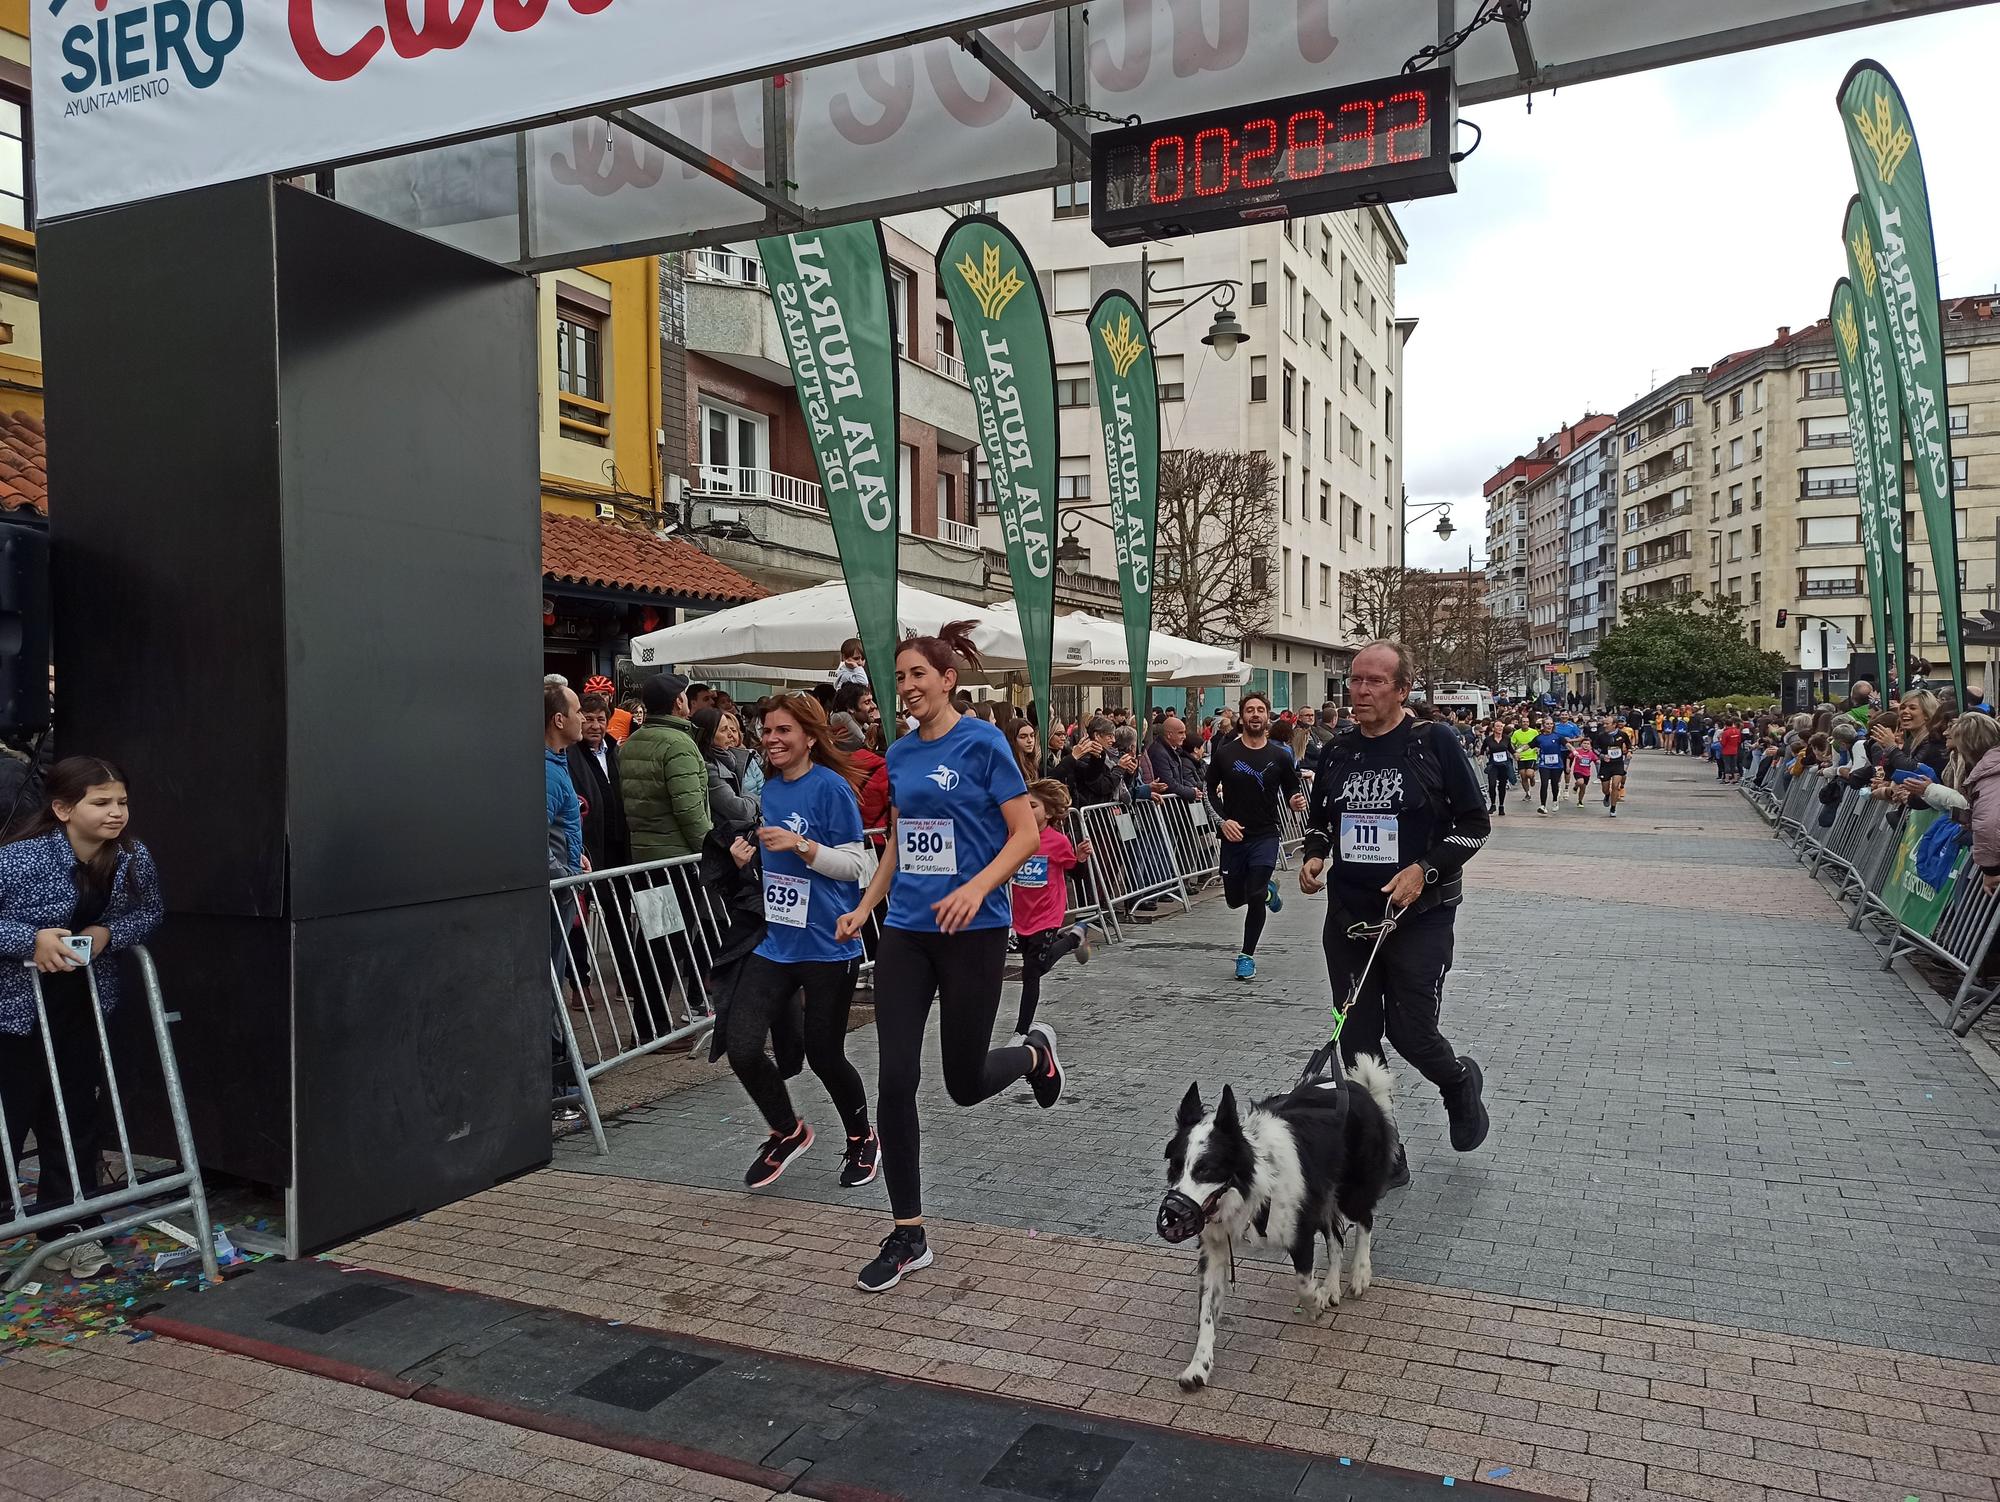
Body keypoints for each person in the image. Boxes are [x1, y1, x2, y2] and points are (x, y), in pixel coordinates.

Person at [833, 625, 1060, 1293]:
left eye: (916, 675)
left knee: (962, 1083)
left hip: (976, 930)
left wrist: (975, 888)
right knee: (895, 1078)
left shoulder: (985, 744)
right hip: (907, 929)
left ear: (947, 679)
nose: (906, 687)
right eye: (898, 678)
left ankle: (1033, 1054)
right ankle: (909, 1233)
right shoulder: (899, 754)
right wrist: (866, 905)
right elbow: (903, 842)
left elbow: (1026, 835)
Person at [1300, 642, 1490, 1187]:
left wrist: (1424, 870)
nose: (1359, 691)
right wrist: (1315, 855)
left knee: (1410, 1031)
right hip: (1350, 919)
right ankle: (1386, 1149)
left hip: (1418, 917)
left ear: (1402, 689)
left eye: (1373, 682)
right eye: (1355, 681)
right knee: (1356, 1038)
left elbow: (1475, 825)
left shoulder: (1432, 743)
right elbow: (1320, 824)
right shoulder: (1337, 752)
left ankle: (1457, 1082)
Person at [0, 757, 164, 1278]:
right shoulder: (20, 859)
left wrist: (107, 935)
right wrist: (30, 939)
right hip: (14, 1012)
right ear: (64, 808)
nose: (116, 813)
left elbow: (151, 912)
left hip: (84, 1005)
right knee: (8, 1119)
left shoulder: (133, 858)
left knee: (74, 1116)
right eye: (101, 803)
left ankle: (68, 1229)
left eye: (121, 802)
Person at [722, 694, 879, 1192]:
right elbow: (780, 867)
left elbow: (857, 866)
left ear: (810, 737)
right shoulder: (770, 790)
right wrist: (750, 862)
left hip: (829, 944)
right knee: (742, 1047)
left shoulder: (831, 787)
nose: (772, 739)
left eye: (783, 730)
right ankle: (787, 1131)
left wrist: (803, 846)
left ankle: (861, 1138)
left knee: (825, 1054)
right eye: (767, 730)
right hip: (777, 942)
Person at [1204, 692, 1306, 982]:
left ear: (1268, 717)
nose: (1255, 715)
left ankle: (1246, 955)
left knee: (1256, 893)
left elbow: (1291, 789)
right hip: (1234, 836)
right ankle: (1269, 891)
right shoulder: (1226, 753)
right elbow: (1209, 790)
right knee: (1236, 899)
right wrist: (1223, 822)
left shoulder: (1280, 755)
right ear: (1242, 717)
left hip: (1266, 833)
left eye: (1261, 710)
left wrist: (1294, 801)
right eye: (1250, 710)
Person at [1008, 779, 1094, 1042]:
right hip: (1022, 914)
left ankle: (1021, 1031)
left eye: (1032, 806)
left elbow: (1075, 874)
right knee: (1035, 964)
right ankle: (1075, 938)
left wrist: (1080, 859)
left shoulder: (1057, 841)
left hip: (1048, 914)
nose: (1026, 810)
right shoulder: (1015, 836)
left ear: (1047, 812)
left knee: (1031, 971)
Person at [622, 675, 712, 862]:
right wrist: (709, 852)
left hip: (642, 853)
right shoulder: (678, 743)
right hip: (678, 856)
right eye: (685, 695)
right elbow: (689, 809)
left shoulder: (632, 741)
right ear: (679, 702)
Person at [566, 693, 631, 875]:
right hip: (590, 846)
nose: (595, 726)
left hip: (620, 846)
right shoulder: (569, 755)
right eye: (589, 719)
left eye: (601, 719)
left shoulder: (615, 752)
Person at [691, 706, 759, 827]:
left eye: (731, 729)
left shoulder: (729, 759)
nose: (730, 735)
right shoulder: (709, 769)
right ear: (708, 736)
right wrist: (756, 797)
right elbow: (741, 811)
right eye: (723, 730)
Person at [1059, 716, 1125, 810]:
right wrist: (1119, 770)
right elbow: (1100, 785)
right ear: (1097, 736)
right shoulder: (1084, 757)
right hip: (1091, 811)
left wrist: (1129, 773)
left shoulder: (1106, 755)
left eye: (1113, 736)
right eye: (1109, 736)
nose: (1113, 740)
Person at [1593, 716, 1631, 816]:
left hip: (1618, 763)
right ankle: (1607, 795)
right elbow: (1595, 748)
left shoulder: (1622, 734)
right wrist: (1602, 756)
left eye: (1607, 724)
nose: (1604, 726)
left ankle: (1613, 808)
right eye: (1604, 724)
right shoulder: (1601, 735)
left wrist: (1629, 752)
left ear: (1614, 725)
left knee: (1615, 785)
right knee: (1605, 788)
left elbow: (1628, 744)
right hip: (1605, 765)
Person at [1533, 717, 1568, 815]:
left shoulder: (1557, 736)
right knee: (1544, 784)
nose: (1549, 726)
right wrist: (1518, 751)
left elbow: (1567, 744)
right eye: (1547, 724)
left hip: (1557, 765)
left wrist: (1574, 751)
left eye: (1551, 724)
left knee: (1554, 784)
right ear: (1543, 725)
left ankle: (1555, 801)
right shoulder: (1539, 738)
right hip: (1544, 764)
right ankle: (1543, 805)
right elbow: (1529, 745)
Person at [1479, 722, 1514, 816]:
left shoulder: (1506, 738)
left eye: (1501, 726)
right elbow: (1482, 749)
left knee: (1502, 785)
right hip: (1493, 764)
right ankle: (1493, 804)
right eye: (1497, 726)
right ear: (1493, 728)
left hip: (1503, 765)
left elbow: (1510, 749)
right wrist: (1481, 758)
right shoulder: (1488, 739)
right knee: (1492, 784)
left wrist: (1516, 755)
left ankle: (1501, 806)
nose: (1500, 728)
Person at [1569, 733, 1598, 807]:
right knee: (1580, 782)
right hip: (1578, 771)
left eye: (1588, 744)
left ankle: (1580, 801)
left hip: (1587, 773)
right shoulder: (1577, 751)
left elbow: (1596, 761)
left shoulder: (1591, 754)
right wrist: (1567, 767)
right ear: (1581, 744)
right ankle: (1575, 787)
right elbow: (1569, 758)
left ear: (1590, 746)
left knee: (1583, 788)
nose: (1586, 745)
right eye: (1584, 743)